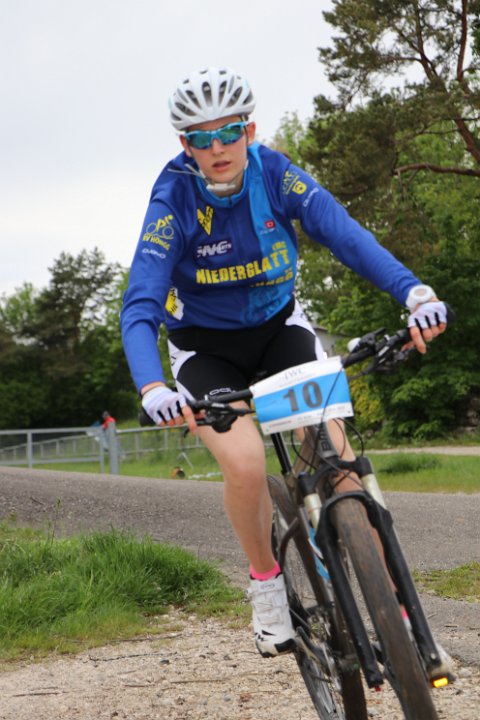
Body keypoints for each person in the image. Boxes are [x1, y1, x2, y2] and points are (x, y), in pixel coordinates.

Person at [120, 67, 448, 658]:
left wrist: (415, 293)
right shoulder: (172, 200)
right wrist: (151, 387)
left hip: (280, 332)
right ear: (185, 145)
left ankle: (396, 607)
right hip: (205, 351)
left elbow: (345, 235)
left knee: (336, 454)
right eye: (201, 137)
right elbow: (141, 301)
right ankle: (267, 582)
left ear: (249, 131)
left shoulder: (275, 174)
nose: (217, 147)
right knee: (245, 465)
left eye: (228, 132)